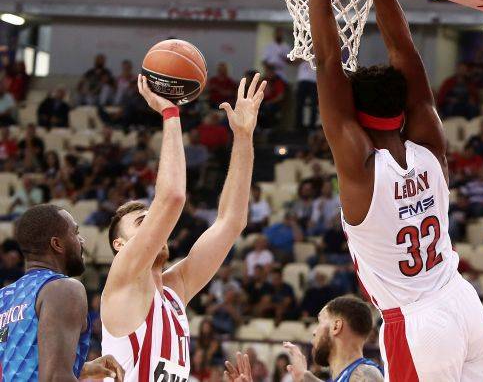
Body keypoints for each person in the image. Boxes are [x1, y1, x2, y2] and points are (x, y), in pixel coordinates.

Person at [308, 0, 483, 381]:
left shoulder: (361, 169)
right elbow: (405, 52)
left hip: (421, 324)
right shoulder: (430, 145)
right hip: (463, 302)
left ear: (356, 117)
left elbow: (326, 60)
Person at [101, 74, 266, 380]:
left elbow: (231, 221)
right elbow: (173, 197)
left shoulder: (175, 291)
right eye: (142, 222)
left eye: (152, 218)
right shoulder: (123, 280)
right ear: (119, 246)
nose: (156, 227)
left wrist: (243, 137)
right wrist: (170, 113)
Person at [0, 204, 124, 380]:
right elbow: (55, 378)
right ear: (57, 244)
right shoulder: (63, 289)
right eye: (76, 233)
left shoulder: (4, 296)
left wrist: (83, 368)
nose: (82, 241)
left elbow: (20, 369)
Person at [225, 296, 383, 382]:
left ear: (336, 327)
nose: (314, 331)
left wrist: (305, 377)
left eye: (320, 322)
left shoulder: (367, 373)